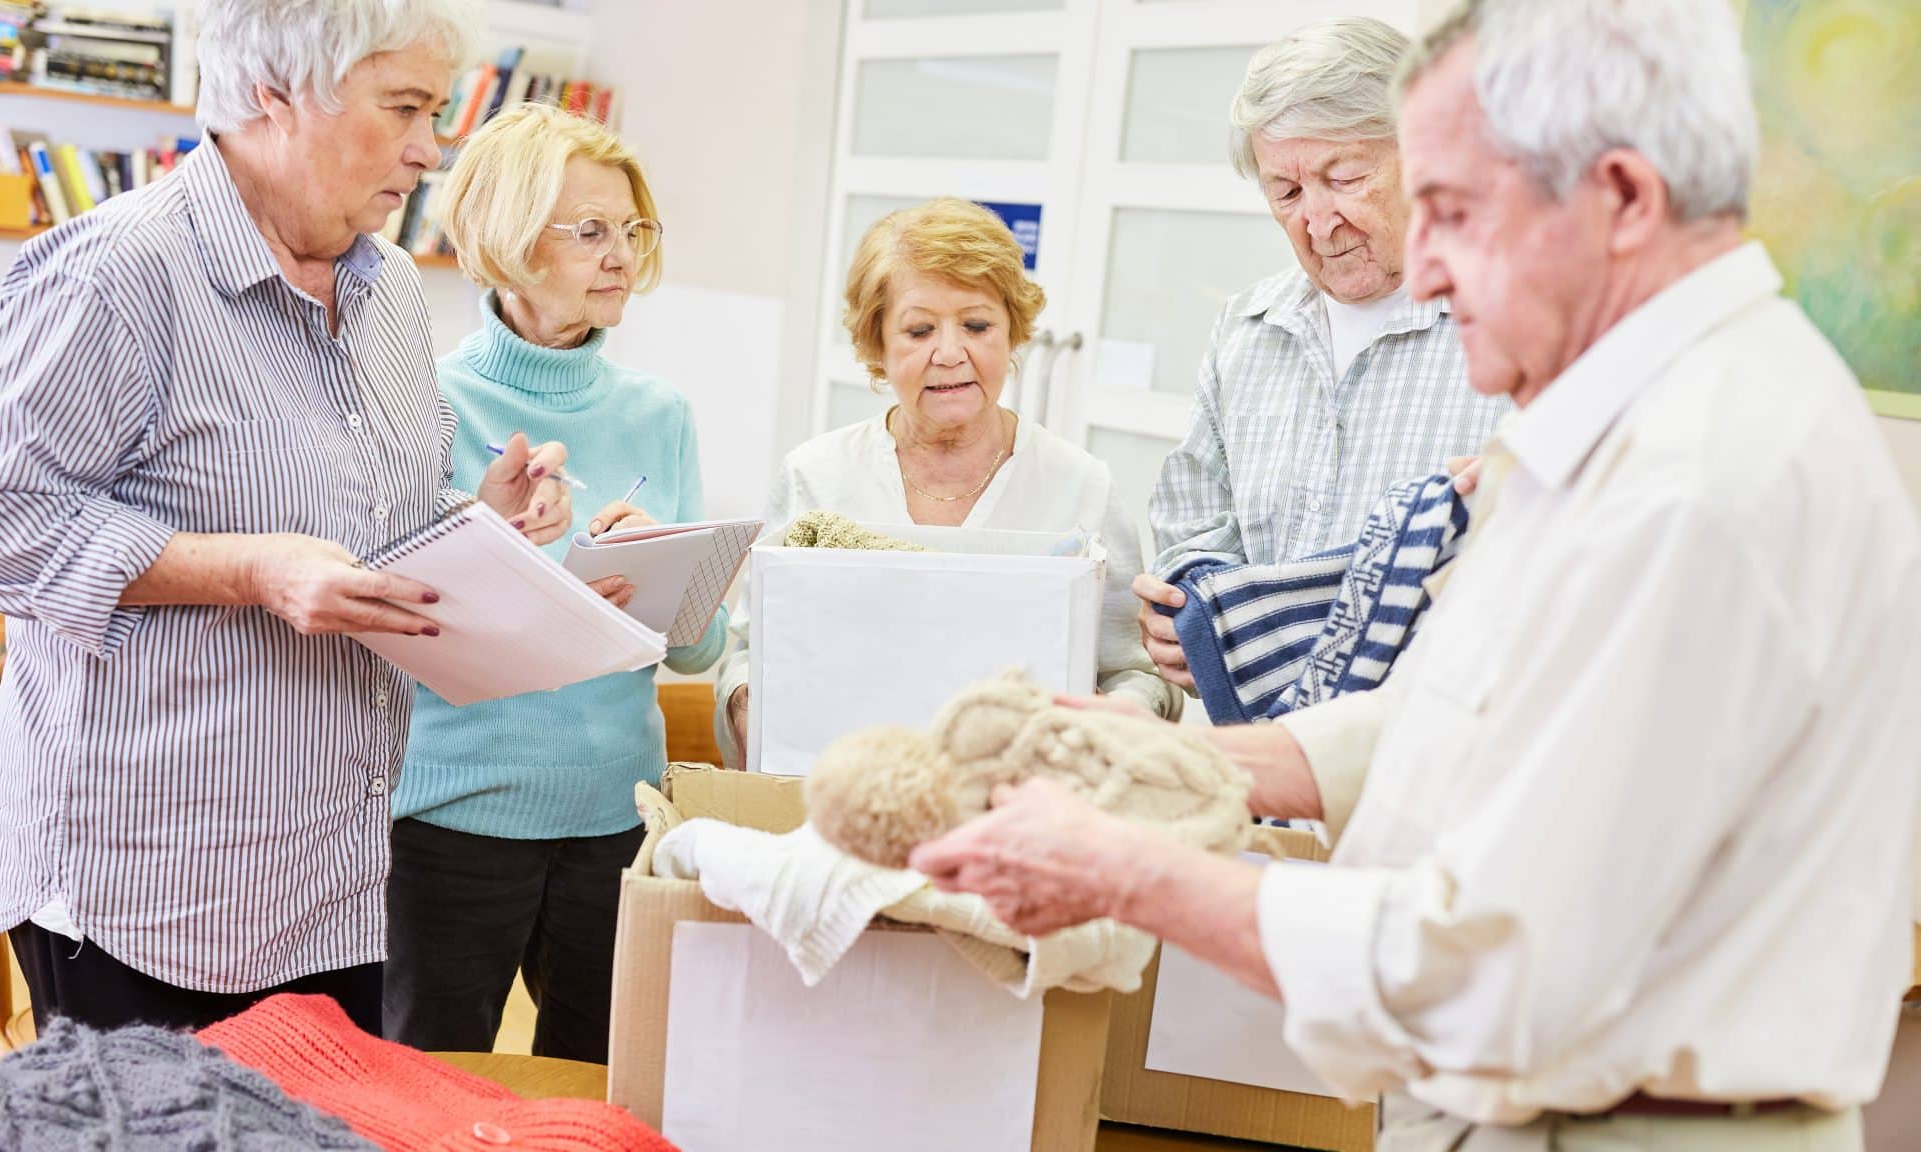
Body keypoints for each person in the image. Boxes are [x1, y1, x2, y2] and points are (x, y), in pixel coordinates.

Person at [912, 2, 1920, 1148]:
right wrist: (1176, 756)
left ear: (1625, 201)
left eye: (1451, 210)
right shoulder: (1626, 422)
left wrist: (1123, 871)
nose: (1421, 276)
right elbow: (1471, 712)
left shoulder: (1696, 483)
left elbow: (1484, 967)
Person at [0, 0, 574, 1035]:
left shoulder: (390, 285)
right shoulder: (116, 274)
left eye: (434, 112)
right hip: (150, 898)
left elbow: (351, 513)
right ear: (276, 96)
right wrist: (242, 570)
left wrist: (473, 519)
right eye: (403, 107)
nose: (429, 149)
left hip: (335, 885)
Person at [383, 105, 726, 1063]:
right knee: (429, 1097)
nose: (619, 254)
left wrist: (673, 565)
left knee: (596, 1093)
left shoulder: (661, 413)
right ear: (505, 238)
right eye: (589, 231)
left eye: (631, 230)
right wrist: (491, 543)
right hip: (454, 822)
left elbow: (698, 649)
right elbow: (390, 625)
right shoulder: (421, 397)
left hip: (619, 821)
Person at [711, 198, 1182, 767]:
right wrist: (745, 703)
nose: (951, 353)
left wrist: (1124, 717)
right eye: (918, 330)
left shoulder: (1081, 486)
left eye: (977, 325)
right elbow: (750, 654)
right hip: (848, 798)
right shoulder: (816, 477)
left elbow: (1135, 671)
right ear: (877, 345)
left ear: (1012, 333)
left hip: (1020, 809)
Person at [1134, 17, 1508, 692]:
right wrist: (1192, 612)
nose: (1317, 219)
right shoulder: (1246, 330)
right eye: (1287, 192)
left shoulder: (1509, 323)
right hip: (1264, 759)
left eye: (1344, 177)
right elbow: (1193, 519)